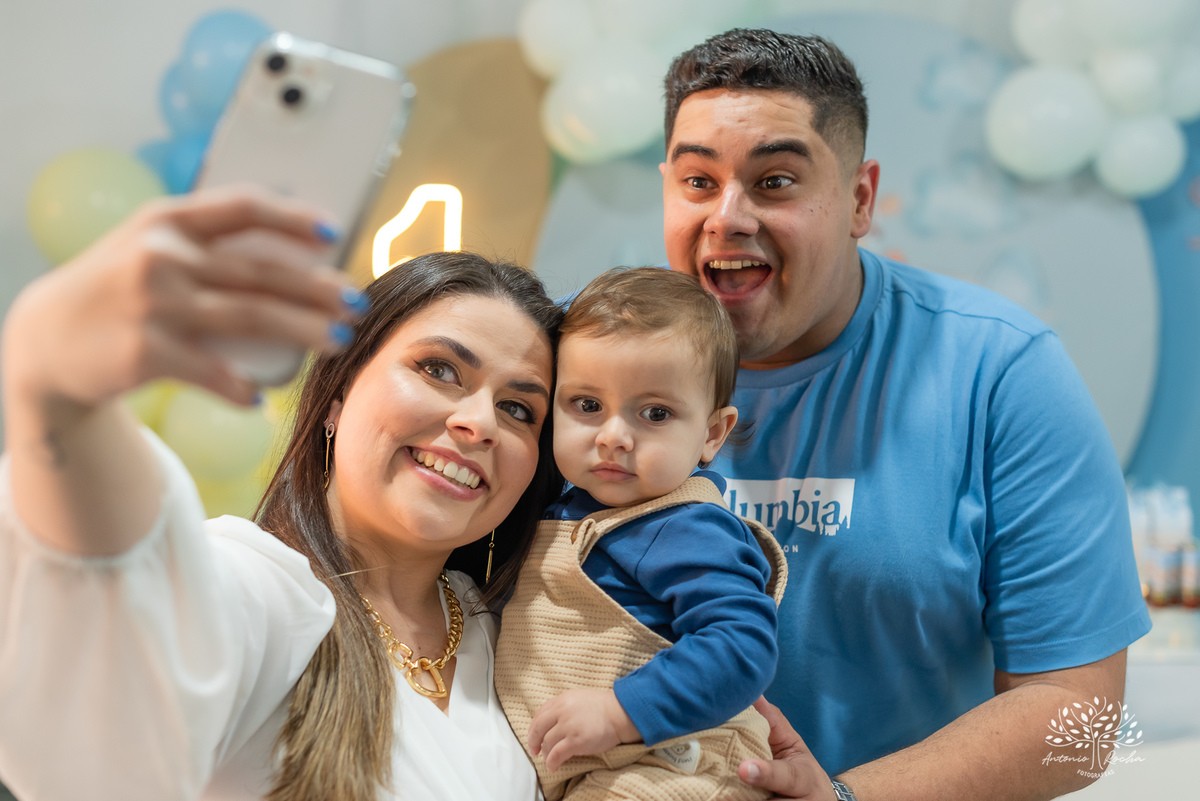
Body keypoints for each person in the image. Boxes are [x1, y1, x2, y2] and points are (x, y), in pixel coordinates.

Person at [657, 29, 1152, 801]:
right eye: (697, 181)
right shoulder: (580, 360)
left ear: (860, 200)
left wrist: (843, 798)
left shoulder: (1001, 371)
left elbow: (1079, 716)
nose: (727, 216)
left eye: (775, 181)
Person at [0, 187, 563, 800]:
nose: (479, 423)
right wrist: (54, 390)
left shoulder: (514, 636)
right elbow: (99, 708)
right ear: (338, 395)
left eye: (518, 408)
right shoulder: (264, 591)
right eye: (439, 369)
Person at [495, 267, 788, 800]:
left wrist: (621, 711)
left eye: (655, 413)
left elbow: (743, 644)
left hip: (680, 766)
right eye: (587, 405)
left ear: (712, 434)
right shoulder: (562, 511)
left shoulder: (684, 525)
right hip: (601, 768)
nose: (614, 437)